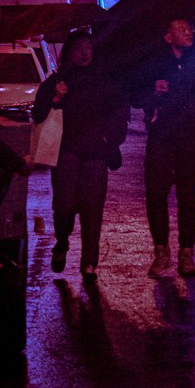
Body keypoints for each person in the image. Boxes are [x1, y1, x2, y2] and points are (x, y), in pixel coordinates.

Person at [32, 30, 128, 282]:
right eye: (78, 48)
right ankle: (62, 242)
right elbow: (38, 114)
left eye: (88, 47)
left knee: (92, 209)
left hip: (96, 152)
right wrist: (56, 97)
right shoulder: (57, 81)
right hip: (66, 152)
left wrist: (111, 139)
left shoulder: (105, 81)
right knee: (63, 206)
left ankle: (89, 263)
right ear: (69, 53)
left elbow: (119, 112)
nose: (85, 52)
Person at [138, 17, 195, 279]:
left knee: (189, 198)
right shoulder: (154, 64)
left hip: (193, 139)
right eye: (181, 29)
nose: (188, 32)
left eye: (190, 28)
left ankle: (187, 252)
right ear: (168, 37)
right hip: (162, 138)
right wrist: (153, 90)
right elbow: (136, 95)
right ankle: (161, 249)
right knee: (157, 195)